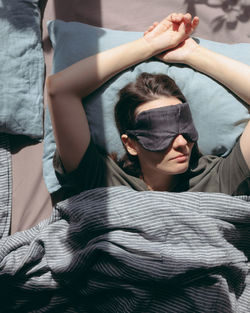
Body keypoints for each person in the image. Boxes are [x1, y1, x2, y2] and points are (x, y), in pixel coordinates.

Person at [47, 13, 250, 200]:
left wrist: (192, 53)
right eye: (162, 130)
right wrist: (148, 45)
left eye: (184, 125)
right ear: (131, 144)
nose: (181, 142)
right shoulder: (101, 179)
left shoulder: (219, 178)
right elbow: (60, 90)